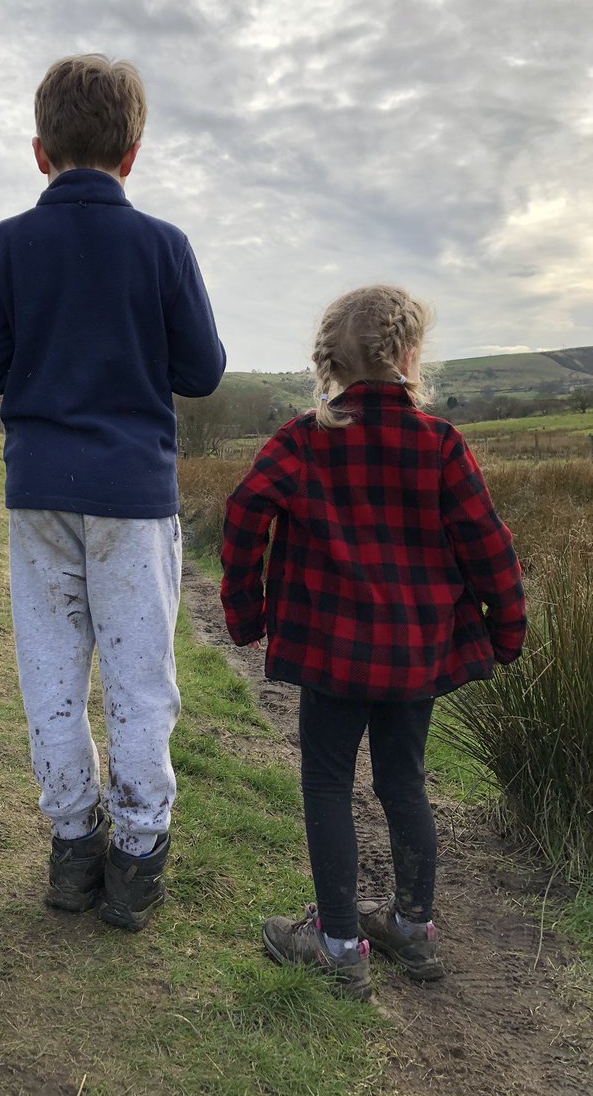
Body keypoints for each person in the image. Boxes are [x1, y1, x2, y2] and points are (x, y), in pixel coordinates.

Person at [0, 54, 225, 929]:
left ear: (40, 151)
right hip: (135, 497)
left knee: (52, 673)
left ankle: (72, 849)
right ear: (133, 152)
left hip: (40, 493)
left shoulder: (6, 243)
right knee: (141, 679)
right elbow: (203, 370)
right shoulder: (163, 246)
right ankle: (138, 858)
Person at [220, 285, 526, 998]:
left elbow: (243, 513)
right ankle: (413, 930)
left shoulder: (303, 438)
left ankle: (336, 946)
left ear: (332, 360)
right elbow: (490, 546)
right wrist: (506, 629)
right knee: (402, 780)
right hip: (415, 653)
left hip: (331, 650)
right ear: (410, 357)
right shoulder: (441, 444)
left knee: (327, 783)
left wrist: (248, 613)